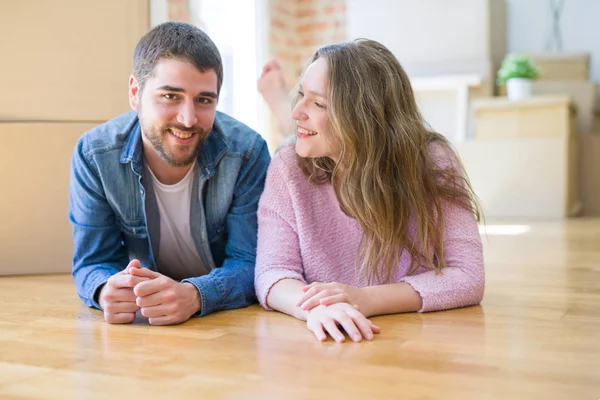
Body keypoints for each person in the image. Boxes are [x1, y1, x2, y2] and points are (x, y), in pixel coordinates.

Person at [254, 39, 484, 343]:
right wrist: (315, 309)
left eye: (318, 103)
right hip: (327, 353)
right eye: (300, 96)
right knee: (293, 138)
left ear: (365, 117)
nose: (299, 111)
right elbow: (272, 272)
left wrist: (366, 299)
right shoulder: (288, 167)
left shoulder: (432, 160)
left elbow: (468, 277)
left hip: (410, 346)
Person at [69, 21, 271, 326]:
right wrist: (104, 290)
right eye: (170, 96)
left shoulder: (246, 153)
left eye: (204, 100)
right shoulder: (95, 156)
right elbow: (93, 262)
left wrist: (195, 295)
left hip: (228, 322)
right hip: (146, 320)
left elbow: (251, 262)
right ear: (135, 93)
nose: (188, 119)